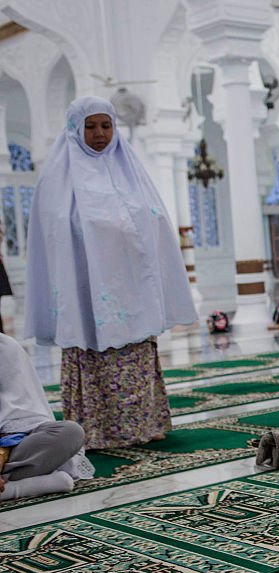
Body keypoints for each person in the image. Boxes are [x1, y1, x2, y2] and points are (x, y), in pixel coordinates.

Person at [24, 97, 197, 449]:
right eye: (90, 126)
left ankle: (143, 425)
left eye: (106, 125)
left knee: (133, 355)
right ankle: (98, 431)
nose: (99, 134)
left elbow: (154, 222)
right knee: (94, 353)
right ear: (75, 129)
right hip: (85, 292)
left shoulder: (130, 171)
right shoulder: (58, 182)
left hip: (133, 288)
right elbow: (57, 235)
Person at [0, 333, 94, 501]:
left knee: (69, 432)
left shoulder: (4, 347)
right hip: (13, 465)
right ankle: (16, 488)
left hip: (10, 451)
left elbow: (24, 417)